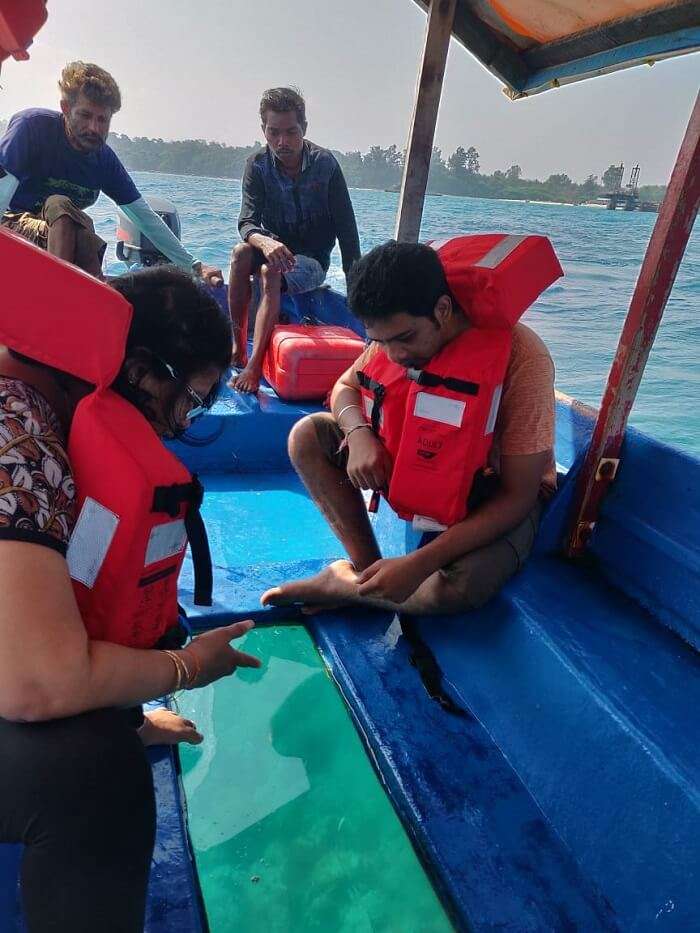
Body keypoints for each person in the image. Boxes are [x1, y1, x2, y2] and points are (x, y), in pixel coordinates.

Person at [0, 258, 260, 932]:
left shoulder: (31, 398)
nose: (182, 425)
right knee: (92, 777)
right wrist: (187, 666)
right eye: (192, 401)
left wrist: (129, 711)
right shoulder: (22, 440)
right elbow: (37, 682)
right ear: (142, 371)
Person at [262, 239, 557, 615]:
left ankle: (346, 586)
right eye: (380, 342)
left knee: (458, 590)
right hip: (417, 460)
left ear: (443, 309)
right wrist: (359, 435)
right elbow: (344, 388)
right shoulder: (393, 334)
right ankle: (370, 571)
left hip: (489, 492)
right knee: (307, 437)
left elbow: (519, 495)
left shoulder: (522, 356)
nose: (395, 355)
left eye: (405, 339)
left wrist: (420, 564)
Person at [0, 60, 222, 282]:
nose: (94, 128)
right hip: (12, 228)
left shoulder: (103, 160)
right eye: (85, 116)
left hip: (68, 239)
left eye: (102, 119)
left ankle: (89, 305)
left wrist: (194, 266)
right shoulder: (32, 127)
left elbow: (144, 217)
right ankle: (57, 297)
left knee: (84, 234)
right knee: (60, 204)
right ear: (66, 108)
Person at [229, 87, 361, 393]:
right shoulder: (257, 165)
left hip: (310, 260)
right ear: (263, 129)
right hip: (272, 248)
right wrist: (264, 242)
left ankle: (253, 366)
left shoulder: (325, 165)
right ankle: (239, 347)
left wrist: (357, 291)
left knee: (268, 272)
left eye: (291, 132)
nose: (282, 142)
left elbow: (347, 230)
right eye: (273, 132)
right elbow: (246, 221)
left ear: (304, 128)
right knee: (240, 254)